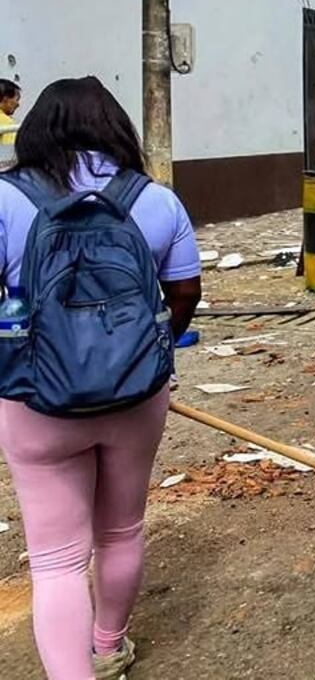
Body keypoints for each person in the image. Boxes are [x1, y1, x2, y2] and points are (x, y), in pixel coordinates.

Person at [0, 77, 202, 680]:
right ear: (118, 129)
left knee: (57, 560)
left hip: (35, 400)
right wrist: (152, 348)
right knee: (121, 531)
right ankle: (109, 646)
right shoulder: (157, 200)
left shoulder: (5, 199)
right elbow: (185, 291)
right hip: (137, 396)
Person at [0, 79, 20, 147]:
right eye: (17, 99)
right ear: (5, 99)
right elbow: (9, 154)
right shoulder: (8, 124)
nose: (18, 104)